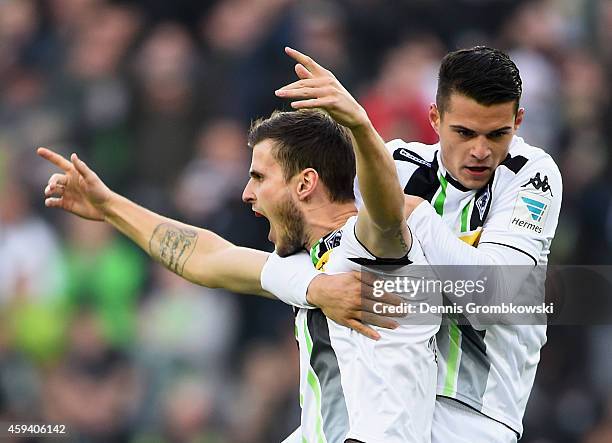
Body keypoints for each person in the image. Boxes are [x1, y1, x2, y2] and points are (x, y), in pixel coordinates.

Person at [39, 49, 440, 441]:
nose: (247, 193)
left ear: (305, 183)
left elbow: (385, 209)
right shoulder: (308, 263)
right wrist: (110, 206)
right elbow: (207, 257)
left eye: (260, 177)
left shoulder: (370, 248)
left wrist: (359, 125)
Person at [270, 46, 562, 443]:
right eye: (464, 132)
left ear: (518, 121)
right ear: (435, 118)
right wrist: (316, 287)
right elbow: (308, 250)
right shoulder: (395, 164)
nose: (481, 150)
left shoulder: (531, 174)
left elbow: (495, 292)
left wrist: (414, 215)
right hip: (386, 396)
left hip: (472, 416)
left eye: (498, 134)